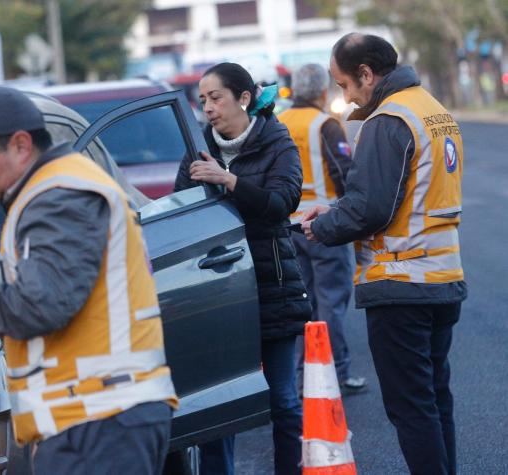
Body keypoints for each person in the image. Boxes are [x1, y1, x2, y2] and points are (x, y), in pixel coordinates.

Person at [0, 85, 178, 474]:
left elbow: (43, 304)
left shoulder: (60, 196)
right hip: (97, 415)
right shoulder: (56, 191)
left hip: (100, 417)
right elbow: (57, 304)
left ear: (21, 145)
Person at [301, 33, 465, 475]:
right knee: (433, 402)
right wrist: (335, 208)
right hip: (442, 279)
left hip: (401, 285)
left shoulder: (388, 120)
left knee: (411, 410)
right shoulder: (433, 110)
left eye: (344, 84)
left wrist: (323, 225)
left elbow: (371, 207)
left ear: (367, 74)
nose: (344, 94)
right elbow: (403, 197)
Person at [175, 63, 311, 475]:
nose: (209, 108)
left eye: (216, 98)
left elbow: (281, 203)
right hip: (218, 290)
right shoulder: (197, 148)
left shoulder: (277, 142)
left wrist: (228, 181)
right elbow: (181, 211)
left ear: (244, 98)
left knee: (284, 400)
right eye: (203, 101)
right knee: (221, 405)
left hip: (273, 286)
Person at [278, 63, 366, 393]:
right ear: (321, 92)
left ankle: (304, 374)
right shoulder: (326, 124)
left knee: (305, 301)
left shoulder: (279, 123)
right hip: (323, 226)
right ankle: (338, 373)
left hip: (287, 227)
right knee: (331, 300)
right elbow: (347, 176)